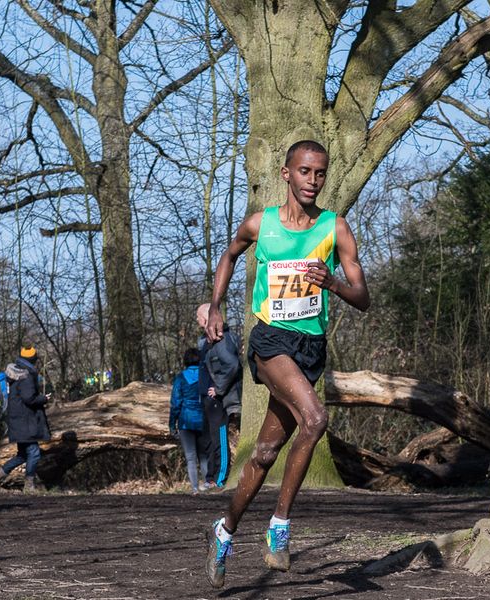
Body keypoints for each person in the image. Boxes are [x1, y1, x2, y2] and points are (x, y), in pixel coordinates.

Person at [203, 140, 370, 587]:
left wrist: (332, 282)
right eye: (304, 172)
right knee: (315, 418)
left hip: (310, 349)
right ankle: (280, 527)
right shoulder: (262, 224)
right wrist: (215, 305)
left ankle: (224, 531)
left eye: (320, 173)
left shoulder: (336, 228)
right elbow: (229, 254)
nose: (313, 181)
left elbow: (363, 297)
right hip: (270, 342)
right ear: (286, 174)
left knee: (263, 453)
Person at [0, 345, 51, 493]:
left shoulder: (16, 372)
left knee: (22, 455)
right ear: (33, 359)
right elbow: (29, 398)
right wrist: (43, 399)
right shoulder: (26, 375)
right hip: (25, 421)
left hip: (18, 420)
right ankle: (29, 485)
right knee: (34, 452)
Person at [196, 303, 242, 489]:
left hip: (218, 400)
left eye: (199, 317)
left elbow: (232, 365)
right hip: (208, 399)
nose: (197, 321)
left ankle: (221, 478)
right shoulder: (207, 340)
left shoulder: (221, 340)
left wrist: (219, 388)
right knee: (209, 440)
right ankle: (210, 478)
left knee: (219, 439)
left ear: (207, 318)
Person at [169, 348, 210, 494]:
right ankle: (207, 485)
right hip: (203, 420)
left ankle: (194, 488)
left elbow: (175, 403)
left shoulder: (180, 378)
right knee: (203, 455)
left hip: (185, 421)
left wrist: (172, 425)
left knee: (191, 458)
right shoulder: (205, 375)